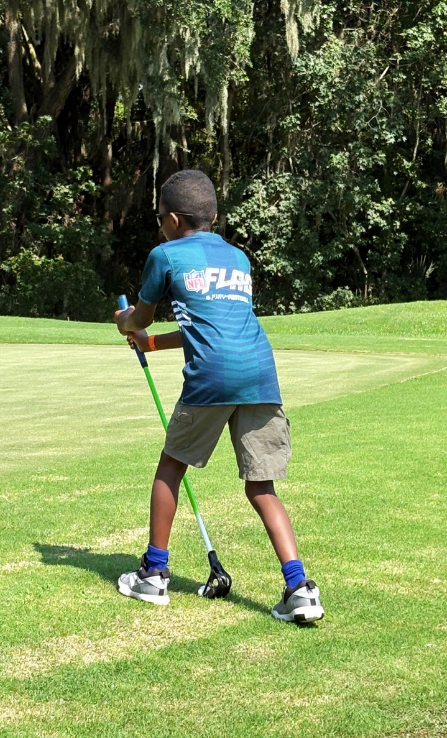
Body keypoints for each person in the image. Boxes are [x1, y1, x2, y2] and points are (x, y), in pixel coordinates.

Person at [114, 169, 324, 623]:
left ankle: (154, 573)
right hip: (259, 374)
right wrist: (152, 344)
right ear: (214, 216)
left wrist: (127, 323)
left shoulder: (164, 254)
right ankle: (300, 589)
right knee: (260, 485)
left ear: (171, 221)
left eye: (158, 219)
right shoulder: (238, 258)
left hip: (212, 378)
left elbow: (141, 316)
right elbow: (212, 324)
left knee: (171, 465)